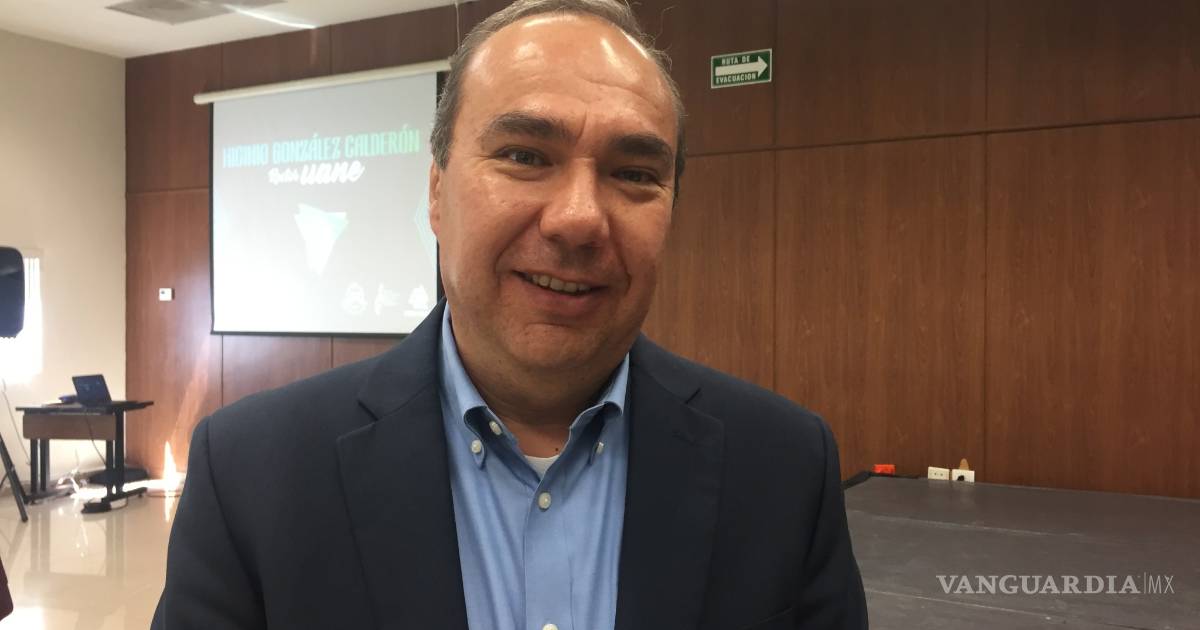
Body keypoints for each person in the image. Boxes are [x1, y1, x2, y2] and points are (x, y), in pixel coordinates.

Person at [151, 0, 868, 628]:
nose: (579, 219)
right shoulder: (252, 475)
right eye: (525, 155)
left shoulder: (784, 468)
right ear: (436, 193)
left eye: (633, 173)